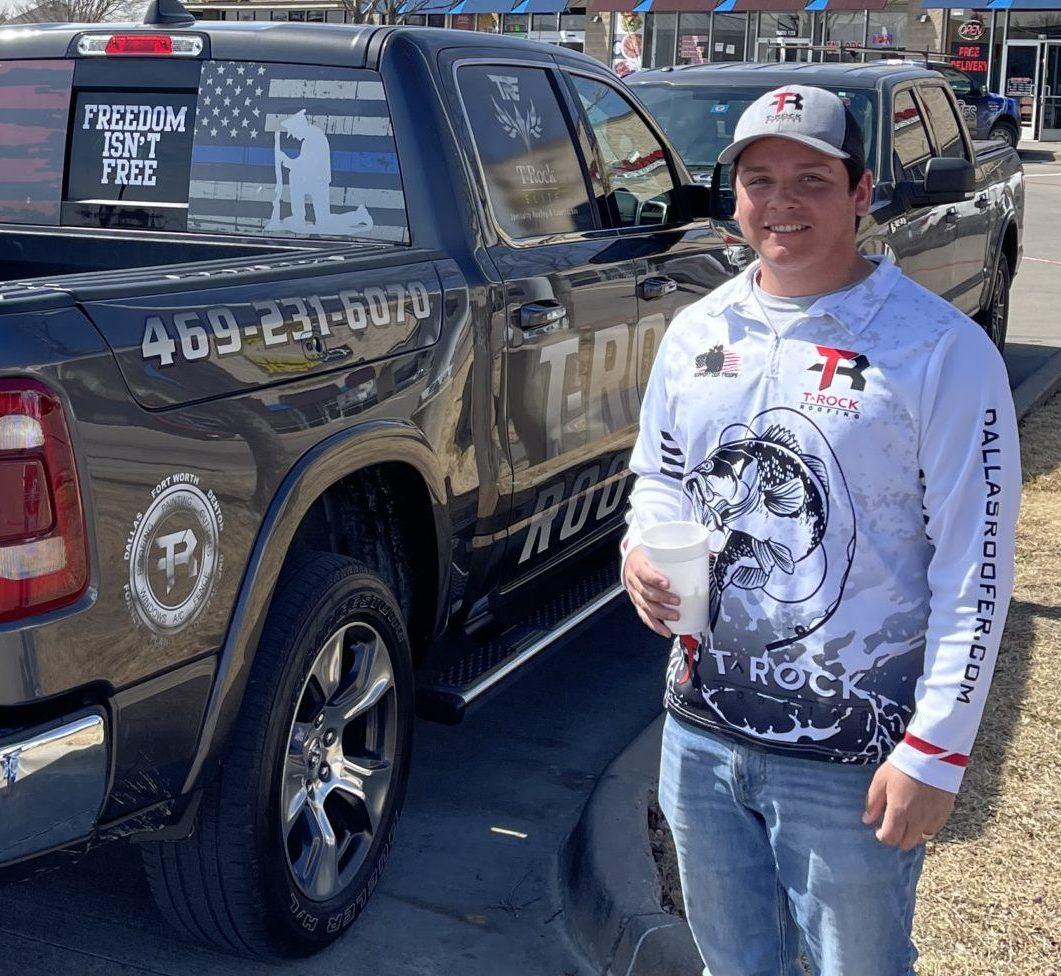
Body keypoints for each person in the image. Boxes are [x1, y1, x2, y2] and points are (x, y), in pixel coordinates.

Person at [621, 85, 1020, 976]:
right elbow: (659, 478)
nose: (781, 203)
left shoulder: (940, 352)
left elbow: (976, 567)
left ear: (861, 192)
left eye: (810, 178)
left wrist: (936, 749)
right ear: (734, 198)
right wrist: (639, 550)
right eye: (759, 180)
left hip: (852, 756)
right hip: (700, 734)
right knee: (734, 965)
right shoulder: (695, 332)